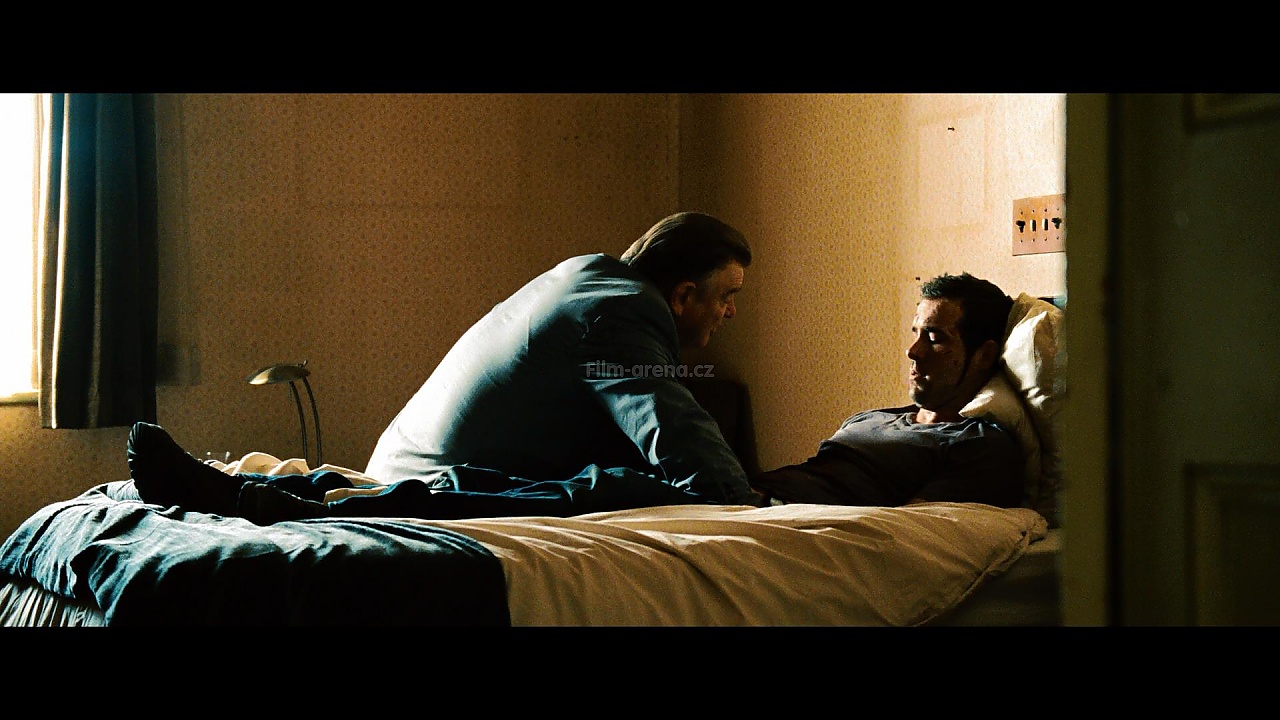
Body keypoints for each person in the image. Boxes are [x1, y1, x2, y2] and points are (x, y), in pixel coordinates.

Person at [126, 211, 764, 524]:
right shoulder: (623, 312)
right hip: (433, 486)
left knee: (618, 484)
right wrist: (755, 501)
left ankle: (255, 491)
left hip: (405, 471)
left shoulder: (587, 277)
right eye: (728, 295)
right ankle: (262, 498)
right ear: (683, 294)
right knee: (620, 488)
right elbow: (687, 447)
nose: (732, 312)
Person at [749, 272, 1024, 508]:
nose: (913, 351)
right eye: (915, 333)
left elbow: (910, 528)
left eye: (934, 338)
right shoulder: (871, 418)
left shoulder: (980, 446)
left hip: (780, 518)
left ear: (984, 356)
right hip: (751, 496)